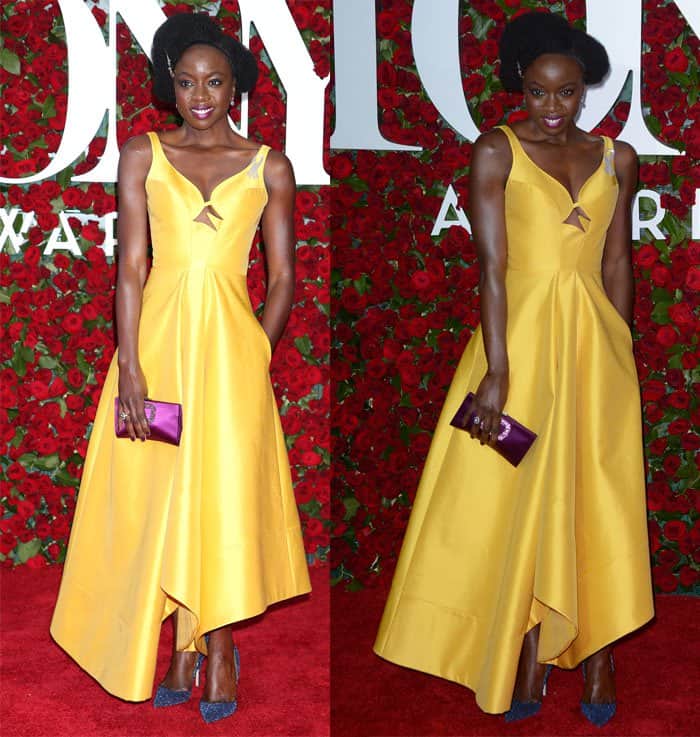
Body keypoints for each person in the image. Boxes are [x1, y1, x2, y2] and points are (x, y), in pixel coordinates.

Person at [374, 11, 654, 728]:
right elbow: (492, 268)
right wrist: (497, 369)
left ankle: (598, 649)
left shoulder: (618, 158)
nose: (553, 109)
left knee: (596, 494)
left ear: (585, 91)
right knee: (515, 491)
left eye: (566, 95)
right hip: (521, 344)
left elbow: (619, 261)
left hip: (596, 349)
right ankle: (527, 636)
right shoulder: (496, 150)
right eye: (538, 94)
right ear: (519, 89)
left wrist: (619, 347)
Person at [50, 12, 311, 724]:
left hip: (232, 354)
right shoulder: (142, 153)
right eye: (188, 81)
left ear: (237, 88)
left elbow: (284, 276)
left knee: (219, 493)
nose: (201, 94)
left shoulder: (270, 164)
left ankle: (218, 645)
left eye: (215, 81)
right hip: (157, 347)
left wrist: (257, 347)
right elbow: (130, 268)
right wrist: (129, 365)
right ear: (171, 86)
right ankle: (178, 642)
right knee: (158, 493)